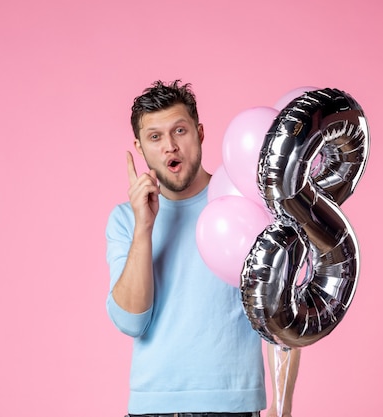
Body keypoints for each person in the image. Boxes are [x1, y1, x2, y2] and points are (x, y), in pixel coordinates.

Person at [105, 80, 300, 417]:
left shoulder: (243, 202)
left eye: (179, 131)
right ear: (140, 148)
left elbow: (281, 315)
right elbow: (131, 321)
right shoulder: (126, 220)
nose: (170, 147)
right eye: (155, 137)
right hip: (151, 408)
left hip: (233, 407)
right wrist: (145, 227)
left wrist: (282, 410)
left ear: (200, 133)